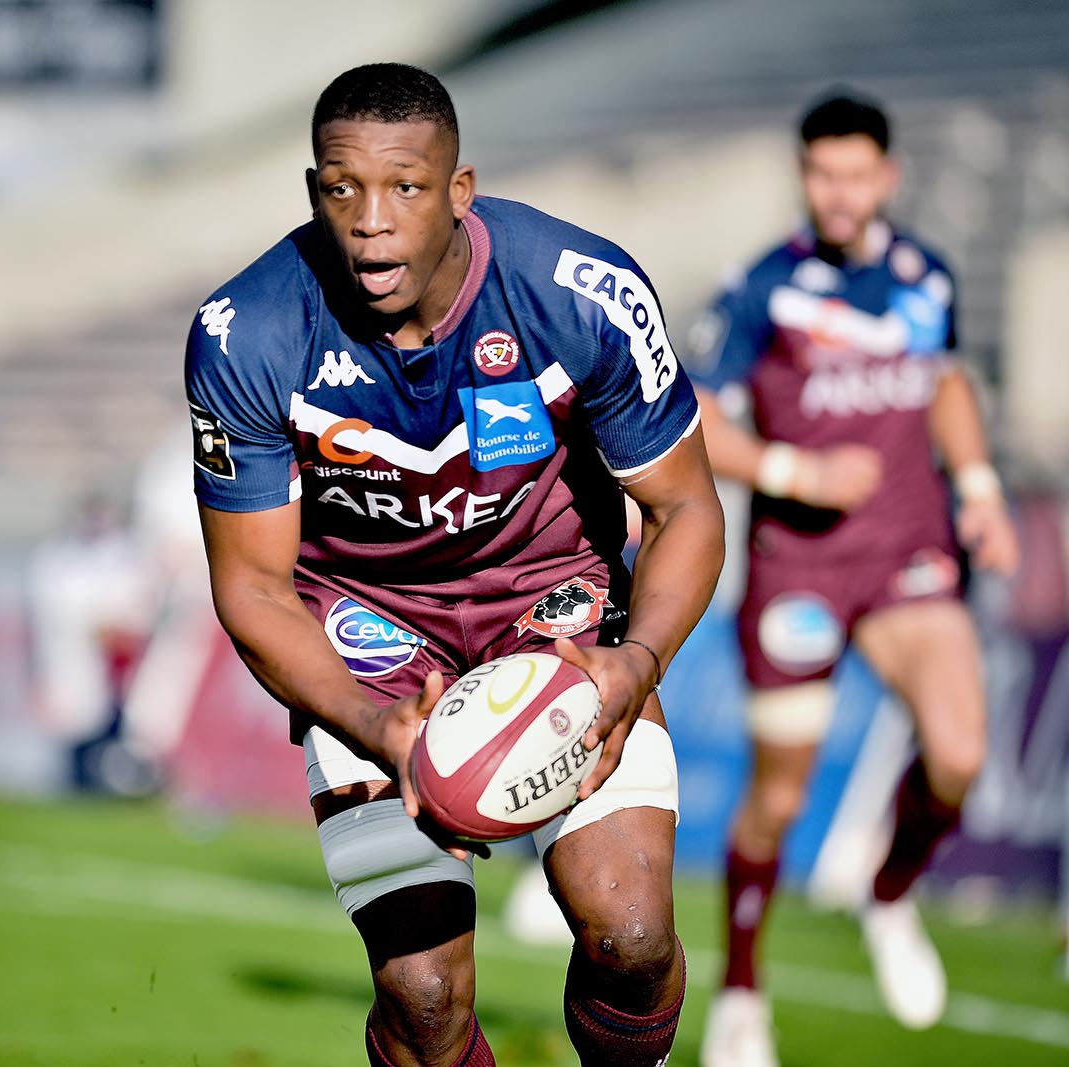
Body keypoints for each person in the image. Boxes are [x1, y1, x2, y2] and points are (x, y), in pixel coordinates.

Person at [186, 63, 725, 1067]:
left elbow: (685, 504)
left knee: (632, 935)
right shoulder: (246, 331)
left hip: (555, 611)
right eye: (343, 189)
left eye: (406, 187)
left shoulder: (579, 293)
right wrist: (368, 724)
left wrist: (638, 660)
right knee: (423, 995)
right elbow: (251, 585)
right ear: (312, 191)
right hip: (370, 637)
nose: (371, 223)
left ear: (460, 190)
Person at [686, 90, 1020, 1067]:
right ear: (804, 175)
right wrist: (795, 472)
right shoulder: (759, 287)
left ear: (887, 176)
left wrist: (979, 487)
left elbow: (945, 382)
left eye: (855, 174)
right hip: (799, 565)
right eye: (822, 174)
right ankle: (741, 992)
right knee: (779, 798)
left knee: (957, 754)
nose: (839, 193)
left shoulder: (924, 275)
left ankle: (888, 892)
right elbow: (697, 413)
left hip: (907, 555)